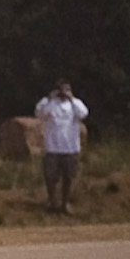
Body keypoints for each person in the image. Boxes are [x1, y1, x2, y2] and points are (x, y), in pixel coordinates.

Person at [35, 81, 88, 214]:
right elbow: (39, 113)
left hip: (70, 148)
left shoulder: (75, 104)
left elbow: (83, 113)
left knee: (68, 177)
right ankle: (52, 201)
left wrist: (72, 98)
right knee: (50, 176)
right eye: (61, 90)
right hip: (52, 148)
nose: (63, 92)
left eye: (66, 89)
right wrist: (48, 98)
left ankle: (65, 203)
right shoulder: (51, 104)